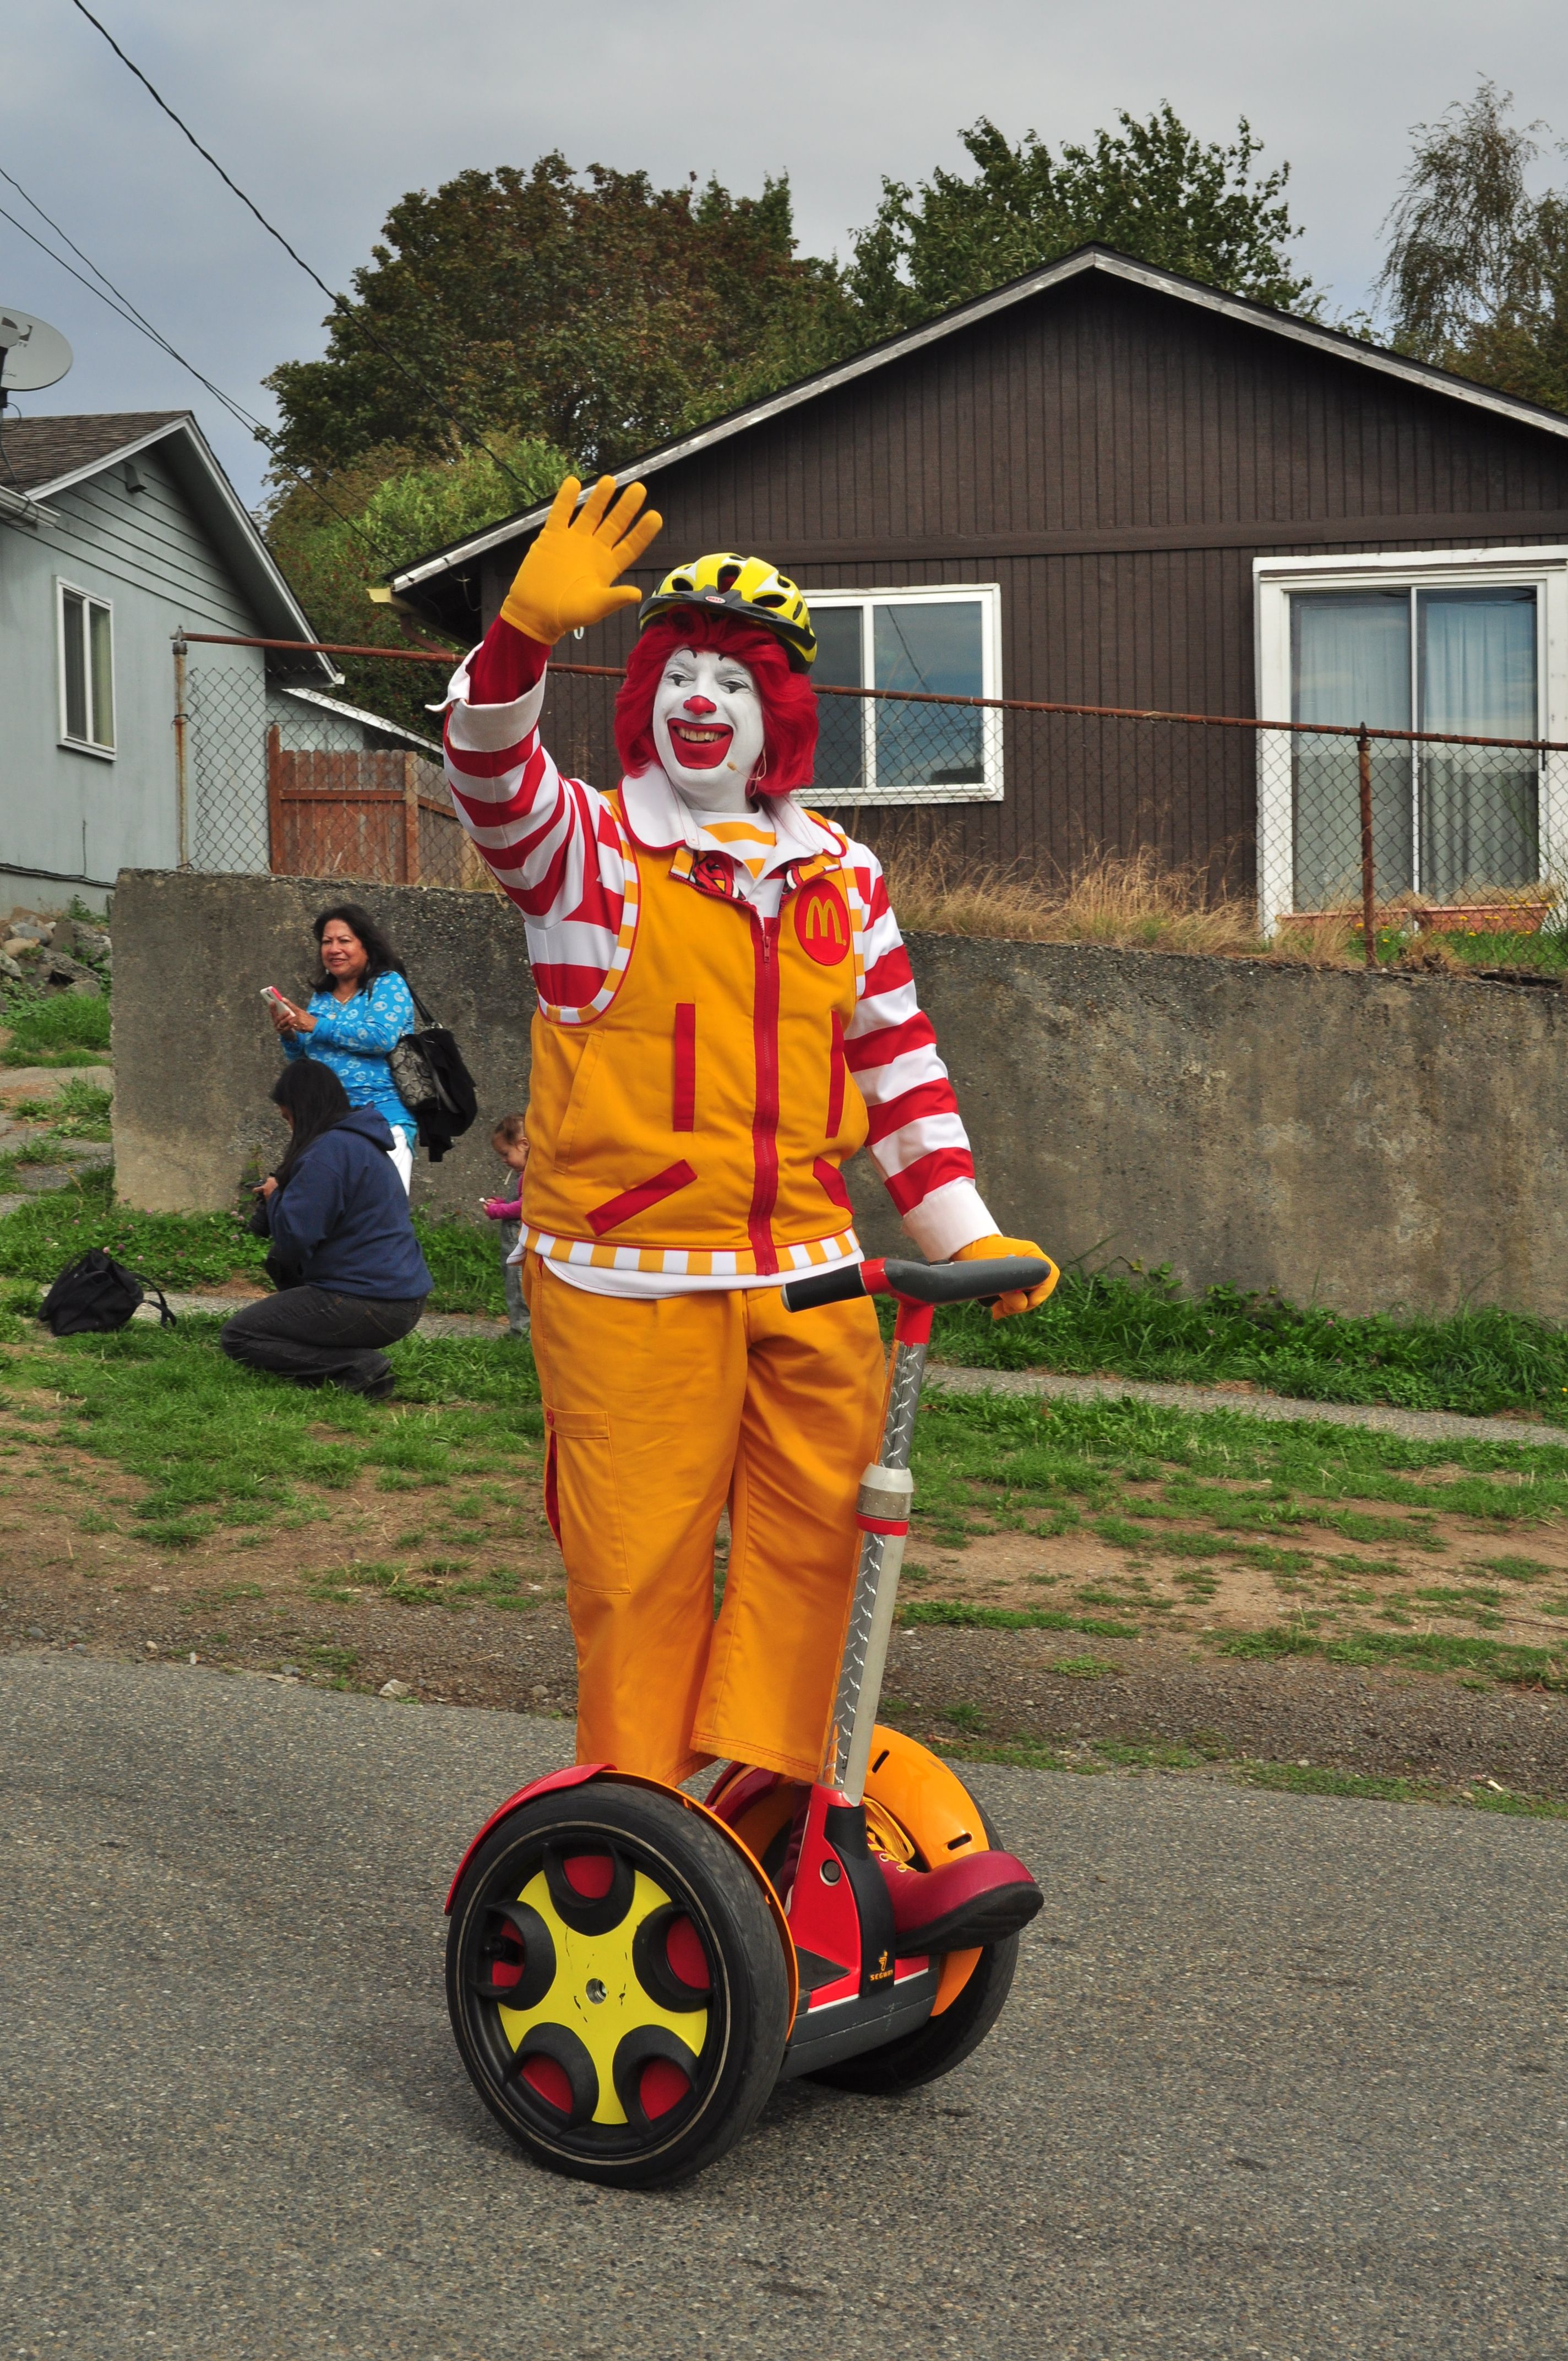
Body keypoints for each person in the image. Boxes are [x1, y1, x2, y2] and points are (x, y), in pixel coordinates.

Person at [442, 475, 1059, 1791]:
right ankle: (637, 1822)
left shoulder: (842, 872)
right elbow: (490, 781)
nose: (700, 700)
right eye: (677, 673)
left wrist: (963, 1229)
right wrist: (519, 640)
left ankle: (765, 1799)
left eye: (733, 679)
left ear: (778, 710)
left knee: (826, 1544)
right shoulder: (589, 853)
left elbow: (894, 1061)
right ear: (644, 696)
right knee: (639, 1567)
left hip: (811, 1275)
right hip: (628, 1280)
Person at [221, 1059, 432, 1400]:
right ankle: (346, 1356)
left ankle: (358, 1366)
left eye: (288, 1118)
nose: (291, 1128)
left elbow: (294, 1240)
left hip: (371, 1302)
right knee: (279, 1296)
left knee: (240, 1335)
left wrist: (275, 1198)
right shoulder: (357, 1142)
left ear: (303, 1109)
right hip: (400, 1299)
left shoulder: (328, 1152)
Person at [265, 903, 418, 1191]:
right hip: (329, 1124)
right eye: (327, 942)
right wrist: (290, 1035)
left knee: (380, 1208)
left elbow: (381, 1037)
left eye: (344, 940)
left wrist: (316, 1025)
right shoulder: (322, 997)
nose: (334, 949)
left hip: (382, 1120)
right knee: (333, 1209)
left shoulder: (387, 984)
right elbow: (307, 1058)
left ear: (367, 946)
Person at [480, 1112, 531, 1338]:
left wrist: (496, 1211)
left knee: (518, 1283)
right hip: (515, 1237)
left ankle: (522, 1332)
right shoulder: (525, 1174)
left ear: (524, 1145)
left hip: (518, 1237)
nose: (503, 1160)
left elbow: (525, 1206)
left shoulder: (531, 1175)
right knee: (514, 1281)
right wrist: (502, 1202)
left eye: (505, 1153)